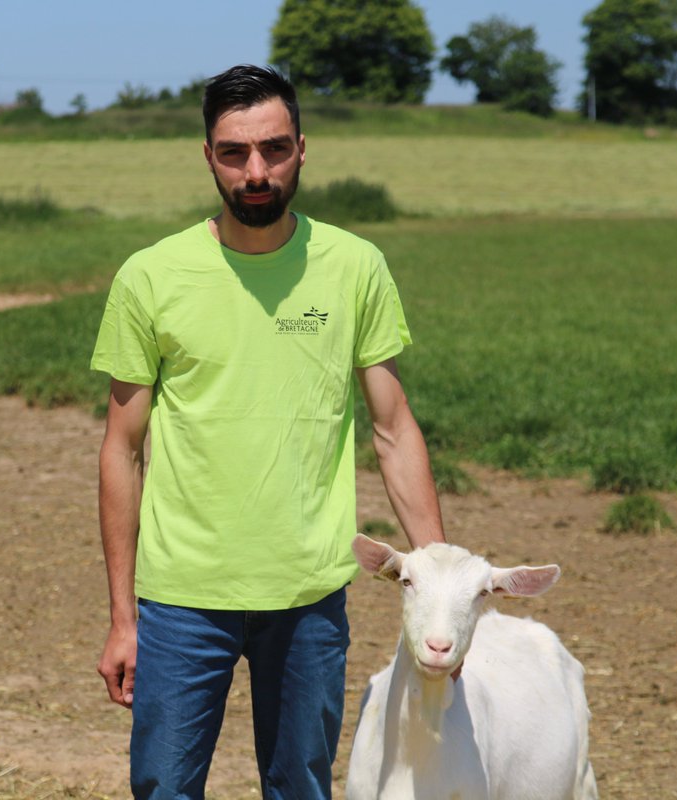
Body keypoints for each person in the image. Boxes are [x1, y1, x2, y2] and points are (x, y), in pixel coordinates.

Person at [91, 64, 445, 800]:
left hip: (309, 596)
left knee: (302, 788)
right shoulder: (151, 277)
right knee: (162, 788)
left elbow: (392, 427)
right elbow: (123, 452)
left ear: (303, 149)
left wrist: (439, 578)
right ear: (209, 157)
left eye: (275, 149)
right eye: (234, 153)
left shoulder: (354, 268)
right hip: (182, 600)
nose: (257, 172)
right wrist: (124, 618)